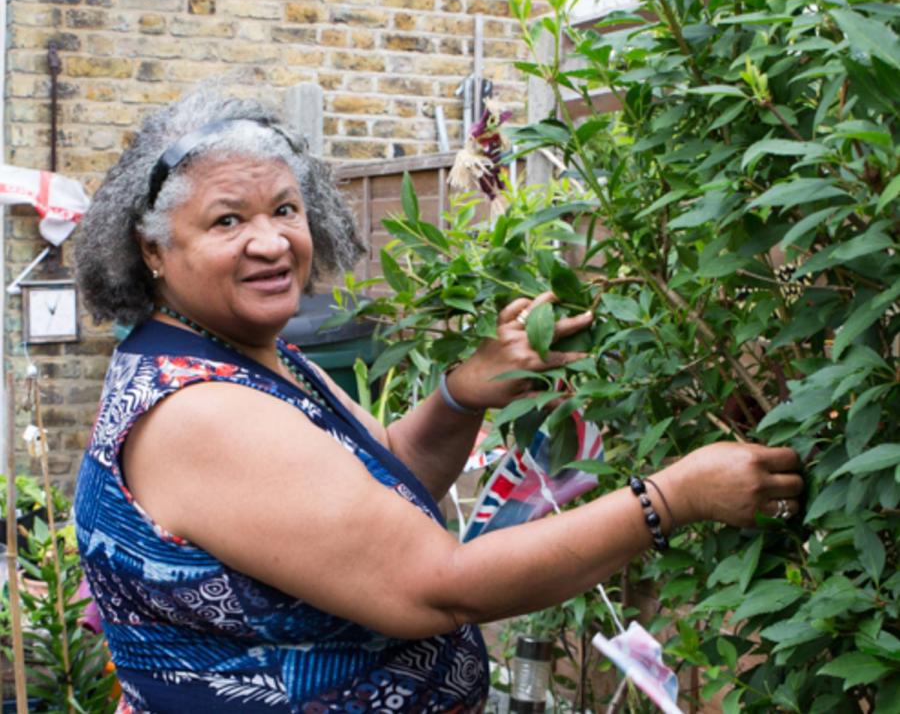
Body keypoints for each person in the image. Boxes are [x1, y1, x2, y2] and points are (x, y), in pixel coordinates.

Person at [74, 86, 804, 714]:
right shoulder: (202, 411)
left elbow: (383, 480)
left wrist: (460, 397)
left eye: (285, 209)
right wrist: (670, 500)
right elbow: (437, 586)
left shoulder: (249, 358)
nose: (269, 242)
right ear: (153, 249)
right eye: (227, 220)